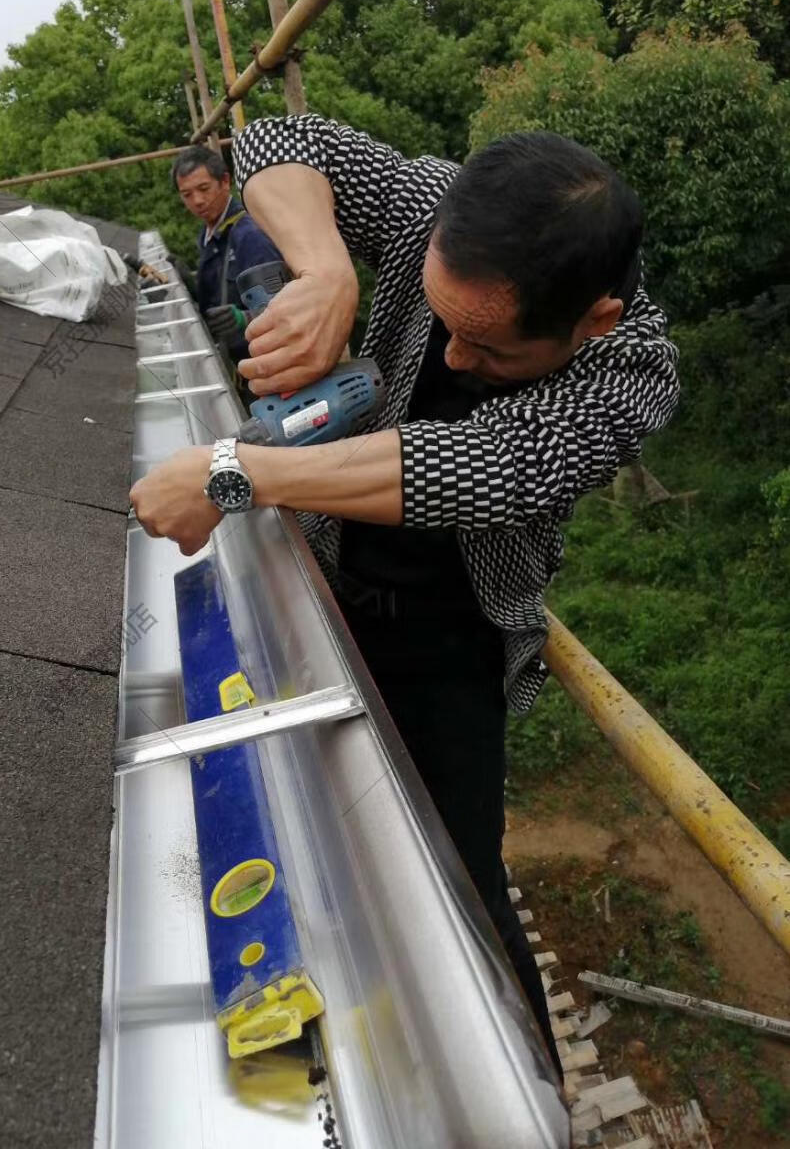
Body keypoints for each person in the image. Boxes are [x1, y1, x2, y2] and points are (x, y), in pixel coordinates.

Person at [132, 116, 680, 1077]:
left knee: (464, 883)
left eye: (489, 348)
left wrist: (232, 472)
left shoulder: (629, 373)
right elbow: (277, 142)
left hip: (452, 643)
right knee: (325, 834)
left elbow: (477, 466)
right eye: (443, 323)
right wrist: (327, 269)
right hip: (334, 581)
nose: (455, 361)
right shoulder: (437, 204)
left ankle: (518, 1092)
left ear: (589, 319)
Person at [172, 145, 281, 360]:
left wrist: (245, 318)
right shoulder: (209, 233)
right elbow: (216, 301)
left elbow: (284, 307)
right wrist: (191, 287)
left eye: (204, 189)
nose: (197, 201)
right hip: (233, 363)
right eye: (187, 194)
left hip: (265, 363)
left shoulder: (250, 236)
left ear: (225, 182)